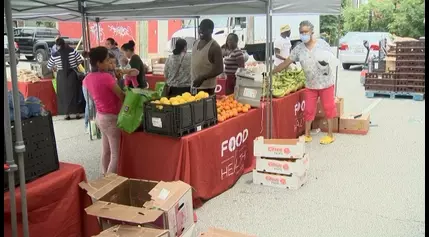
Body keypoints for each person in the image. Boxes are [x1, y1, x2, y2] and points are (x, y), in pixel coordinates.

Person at [272, 20, 337, 145]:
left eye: (306, 32)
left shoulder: (322, 44)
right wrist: (272, 72)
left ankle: (330, 134)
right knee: (308, 110)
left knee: (328, 108)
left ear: (312, 32)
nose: (303, 34)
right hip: (310, 85)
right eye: (301, 32)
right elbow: (286, 62)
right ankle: (307, 134)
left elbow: (331, 58)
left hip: (325, 83)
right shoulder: (298, 49)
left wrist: (325, 61)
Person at [83, 46, 125, 174]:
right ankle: (108, 183)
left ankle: (103, 177)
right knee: (115, 155)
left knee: (105, 151)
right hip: (111, 118)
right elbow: (121, 96)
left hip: (100, 116)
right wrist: (120, 81)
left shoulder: (87, 79)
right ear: (98, 63)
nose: (109, 63)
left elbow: (91, 97)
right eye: (106, 61)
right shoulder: (107, 77)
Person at [47, 37, 85, 120]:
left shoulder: (55, 54)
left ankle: (66, 114)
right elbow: (80, 60)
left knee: (64, 95)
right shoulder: (72, 51)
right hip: (72, 74)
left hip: (61, 76)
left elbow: (49, 66)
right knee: (75, 93)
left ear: (57, 45)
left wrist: (55, 67)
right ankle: (77, 113)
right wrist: (73, 64)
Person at [191, 19, 224, 95]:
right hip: (194, 86)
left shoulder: (215, 47)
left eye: (204, 29)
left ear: (211, 31)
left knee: (204, 107)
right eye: (200, 28)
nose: (201, 31)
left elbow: (219, 69)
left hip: (207, 88)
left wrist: (203, 77)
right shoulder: (195, 42)